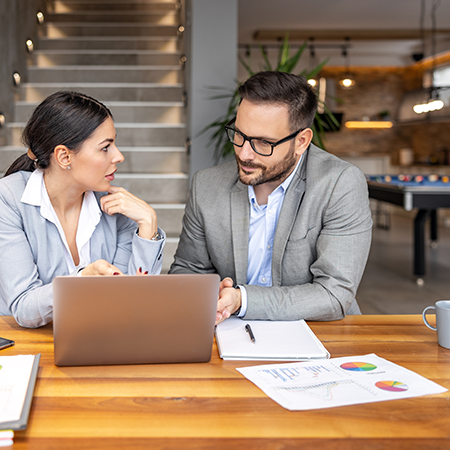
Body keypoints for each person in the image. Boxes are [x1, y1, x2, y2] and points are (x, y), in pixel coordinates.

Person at [169, 71, 372, 324]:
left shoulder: (339, 184)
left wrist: (242, 299)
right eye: (239, 135)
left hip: (321, 335)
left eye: (263, 143)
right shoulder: (206, 186)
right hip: (229, 333)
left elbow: (334, 294)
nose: (244, 154)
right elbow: (188, 271)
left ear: (301, 141)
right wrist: (211, 297)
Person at [0, 91, 165, 328]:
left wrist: (149, 224)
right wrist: (81, 282)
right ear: (64, 156)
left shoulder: (115, 206)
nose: (119, 156)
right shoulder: (8, 199)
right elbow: (24, 307)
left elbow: (132, 301)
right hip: (32, 347)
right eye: (105, 148)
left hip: (100, 340)